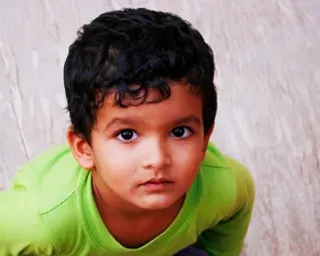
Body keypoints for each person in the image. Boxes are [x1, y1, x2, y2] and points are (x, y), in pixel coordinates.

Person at [0, 8, 255, 256]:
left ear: (204, 139)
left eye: (179, 131)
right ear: (83, 148)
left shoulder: (224, 187)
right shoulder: (40, 221)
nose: (157, 159)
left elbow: (237, 209)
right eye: (127, 135)